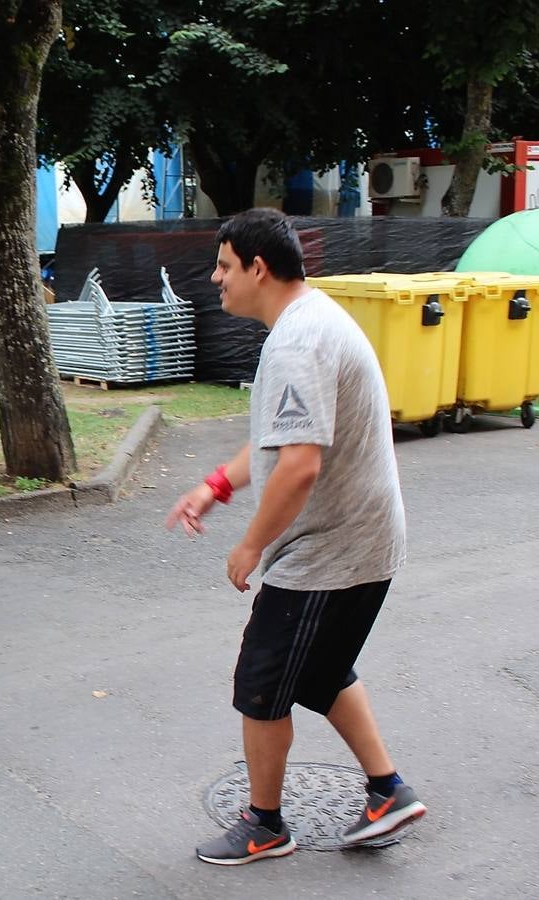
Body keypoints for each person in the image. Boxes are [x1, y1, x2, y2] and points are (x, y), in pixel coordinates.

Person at [165, 208, 425, 866]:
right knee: (320, 670)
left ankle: (264, 824)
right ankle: (387, 790)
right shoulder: (308, 322)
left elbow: (300, 464)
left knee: (260, 685)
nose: (215, 279)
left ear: (257, 267)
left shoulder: (295, 343)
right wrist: (215, 486)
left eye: (223, 267)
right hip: (360, 542)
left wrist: (251, 544)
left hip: (330, 552)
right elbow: (272, 445)